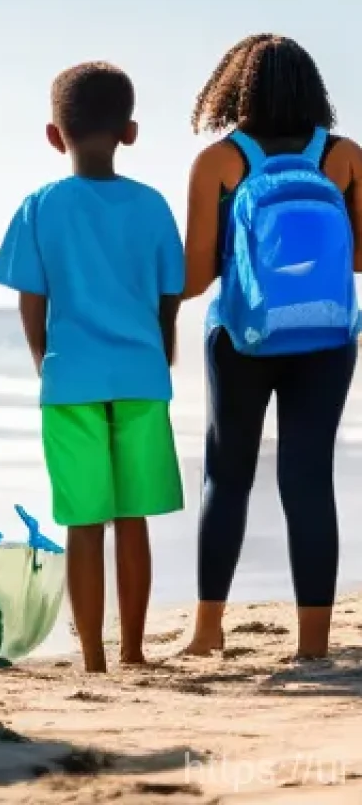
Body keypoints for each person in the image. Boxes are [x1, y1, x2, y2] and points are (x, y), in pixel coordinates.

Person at [0, 62, 185, 673]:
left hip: (69, 379)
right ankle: (134, 650)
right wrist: (163, 354)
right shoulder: (152, 206)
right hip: (140, 378)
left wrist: (42, 362)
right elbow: (169, 298)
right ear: (130, 131)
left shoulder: (40, 207)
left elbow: (31, 302)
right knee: (132, 517)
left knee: (82, 522)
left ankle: (94, 658)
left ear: (55, 135)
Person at [182, 34, 362, 659]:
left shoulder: (220, 161)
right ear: (314, 90)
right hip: (328, 337)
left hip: (241, 337)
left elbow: (196, 275)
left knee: (226, 478)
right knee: (308, 479)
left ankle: (207, 633)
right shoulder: (344, 157)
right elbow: (361, 256)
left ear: (237, 89)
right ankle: (314, 645)